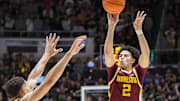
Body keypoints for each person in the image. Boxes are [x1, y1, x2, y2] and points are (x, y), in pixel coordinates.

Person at [4, 33, 87, 101]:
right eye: (27, 86)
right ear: (23, 91)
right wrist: (69, 54)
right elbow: (48, 82)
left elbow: (33, 77)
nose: (30, 85)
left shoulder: (19, 97)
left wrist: (46, 55)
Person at [104, 11, 150, 101]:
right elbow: (107, 53)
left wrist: (139, 31)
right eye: (120, 56)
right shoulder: (114, 71)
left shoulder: (138, 73)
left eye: (125, 56)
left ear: (132, 60)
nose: (121, 58)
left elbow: (146, 54)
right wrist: (111, 27)